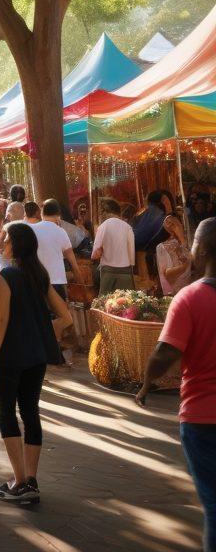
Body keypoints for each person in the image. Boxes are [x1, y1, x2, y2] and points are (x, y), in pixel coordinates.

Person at [137, 218, 216, 552]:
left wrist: (146, 383)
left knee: (213, 503)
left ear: (203, 249)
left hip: (202, 418)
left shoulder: (189, 298)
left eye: (194, 241)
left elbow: (164, 352)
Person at [0, 222, 71, 504]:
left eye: (6, 238)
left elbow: (0, 322)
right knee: (31, 412)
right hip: (36, 357)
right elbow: (66, 317)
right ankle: (31, 479)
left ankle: (19, 479)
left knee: (7, 413)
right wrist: (45, 332)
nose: (3, 241)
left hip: (10, 355)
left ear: (14, 245)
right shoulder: (39, 274)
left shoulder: (7, 275)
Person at [28, 201, 84, 300]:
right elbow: (73, 263)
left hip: (35, 282)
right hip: (57, 283)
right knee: (60, 314)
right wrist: (83, 286)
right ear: (59, 216)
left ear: (41, 214)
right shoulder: (61, 232)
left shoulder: (31, 230)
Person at [92, 198, 136, 295]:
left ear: (104, 212)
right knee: (127, 304)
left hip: (108, 272)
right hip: (126, 272)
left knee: (104, 305)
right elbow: (132, 257)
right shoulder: (127, 227)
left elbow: (94, 255)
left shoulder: (102, 227)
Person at [157, 212, 193, 296]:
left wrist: (182, 239)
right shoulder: (163, 247)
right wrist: (184, 267)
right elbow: (166, 274)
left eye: (175, 224)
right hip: (177, 293)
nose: (172, 226)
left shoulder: (192, 242)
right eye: (169, 223)